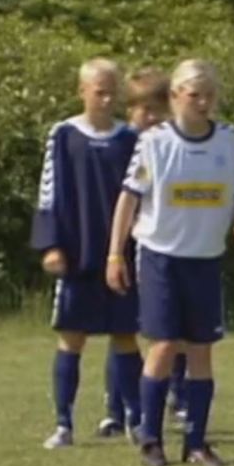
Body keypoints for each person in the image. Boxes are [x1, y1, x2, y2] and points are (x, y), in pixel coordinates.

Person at [106, 59, 234, 466]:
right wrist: (115, 253)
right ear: (175, 97)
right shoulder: (155, 142)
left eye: (210, 95)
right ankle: (151, 440)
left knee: (201, 351)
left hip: (205, 259)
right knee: (165, 345)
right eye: (195, 95)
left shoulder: (227, 139)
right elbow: (129, 199)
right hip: (161, 256)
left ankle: (197, 444)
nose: (204, 102)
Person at [31, 58, 142, 449]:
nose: (108, 98)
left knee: (126, 336)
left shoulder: (130, 139)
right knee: (71, 338)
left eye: (113, 90)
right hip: (77, 255)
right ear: (82, 91)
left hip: (120, 257)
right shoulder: (63, 135)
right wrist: (51, 245)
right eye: (100, 91)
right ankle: (64, 424)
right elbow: (49, 191)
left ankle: (135, 418)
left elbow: (141, 199)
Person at [98, 66, 172, 438]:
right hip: (123, 244)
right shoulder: (123, 143)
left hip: (160, 246)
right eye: (145, 109)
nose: (152, 117)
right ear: (131, 110)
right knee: (122, 329)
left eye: (159, 109)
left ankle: (171, 398)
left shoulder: (169, 142)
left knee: (166, 330)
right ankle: (118, 409)